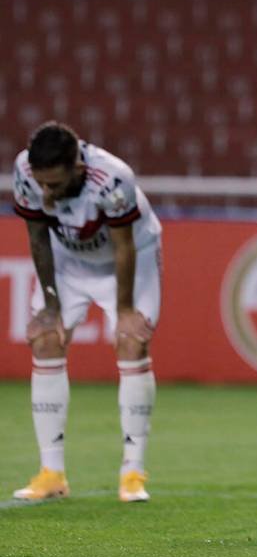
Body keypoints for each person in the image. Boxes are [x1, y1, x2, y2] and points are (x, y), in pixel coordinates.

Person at [11, 121, 162, 502]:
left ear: (77, 168)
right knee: (46, 339)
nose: (46, 193)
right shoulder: (26, 171)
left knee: (130, 342)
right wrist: (49, 303)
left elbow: (124, 245)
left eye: (55, 186)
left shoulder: (112, 179)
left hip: (128, 260)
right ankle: (51, 474)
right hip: (68, 262)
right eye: (41, 184)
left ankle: (132, 474)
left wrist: (125, 309)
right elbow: (37, 235)